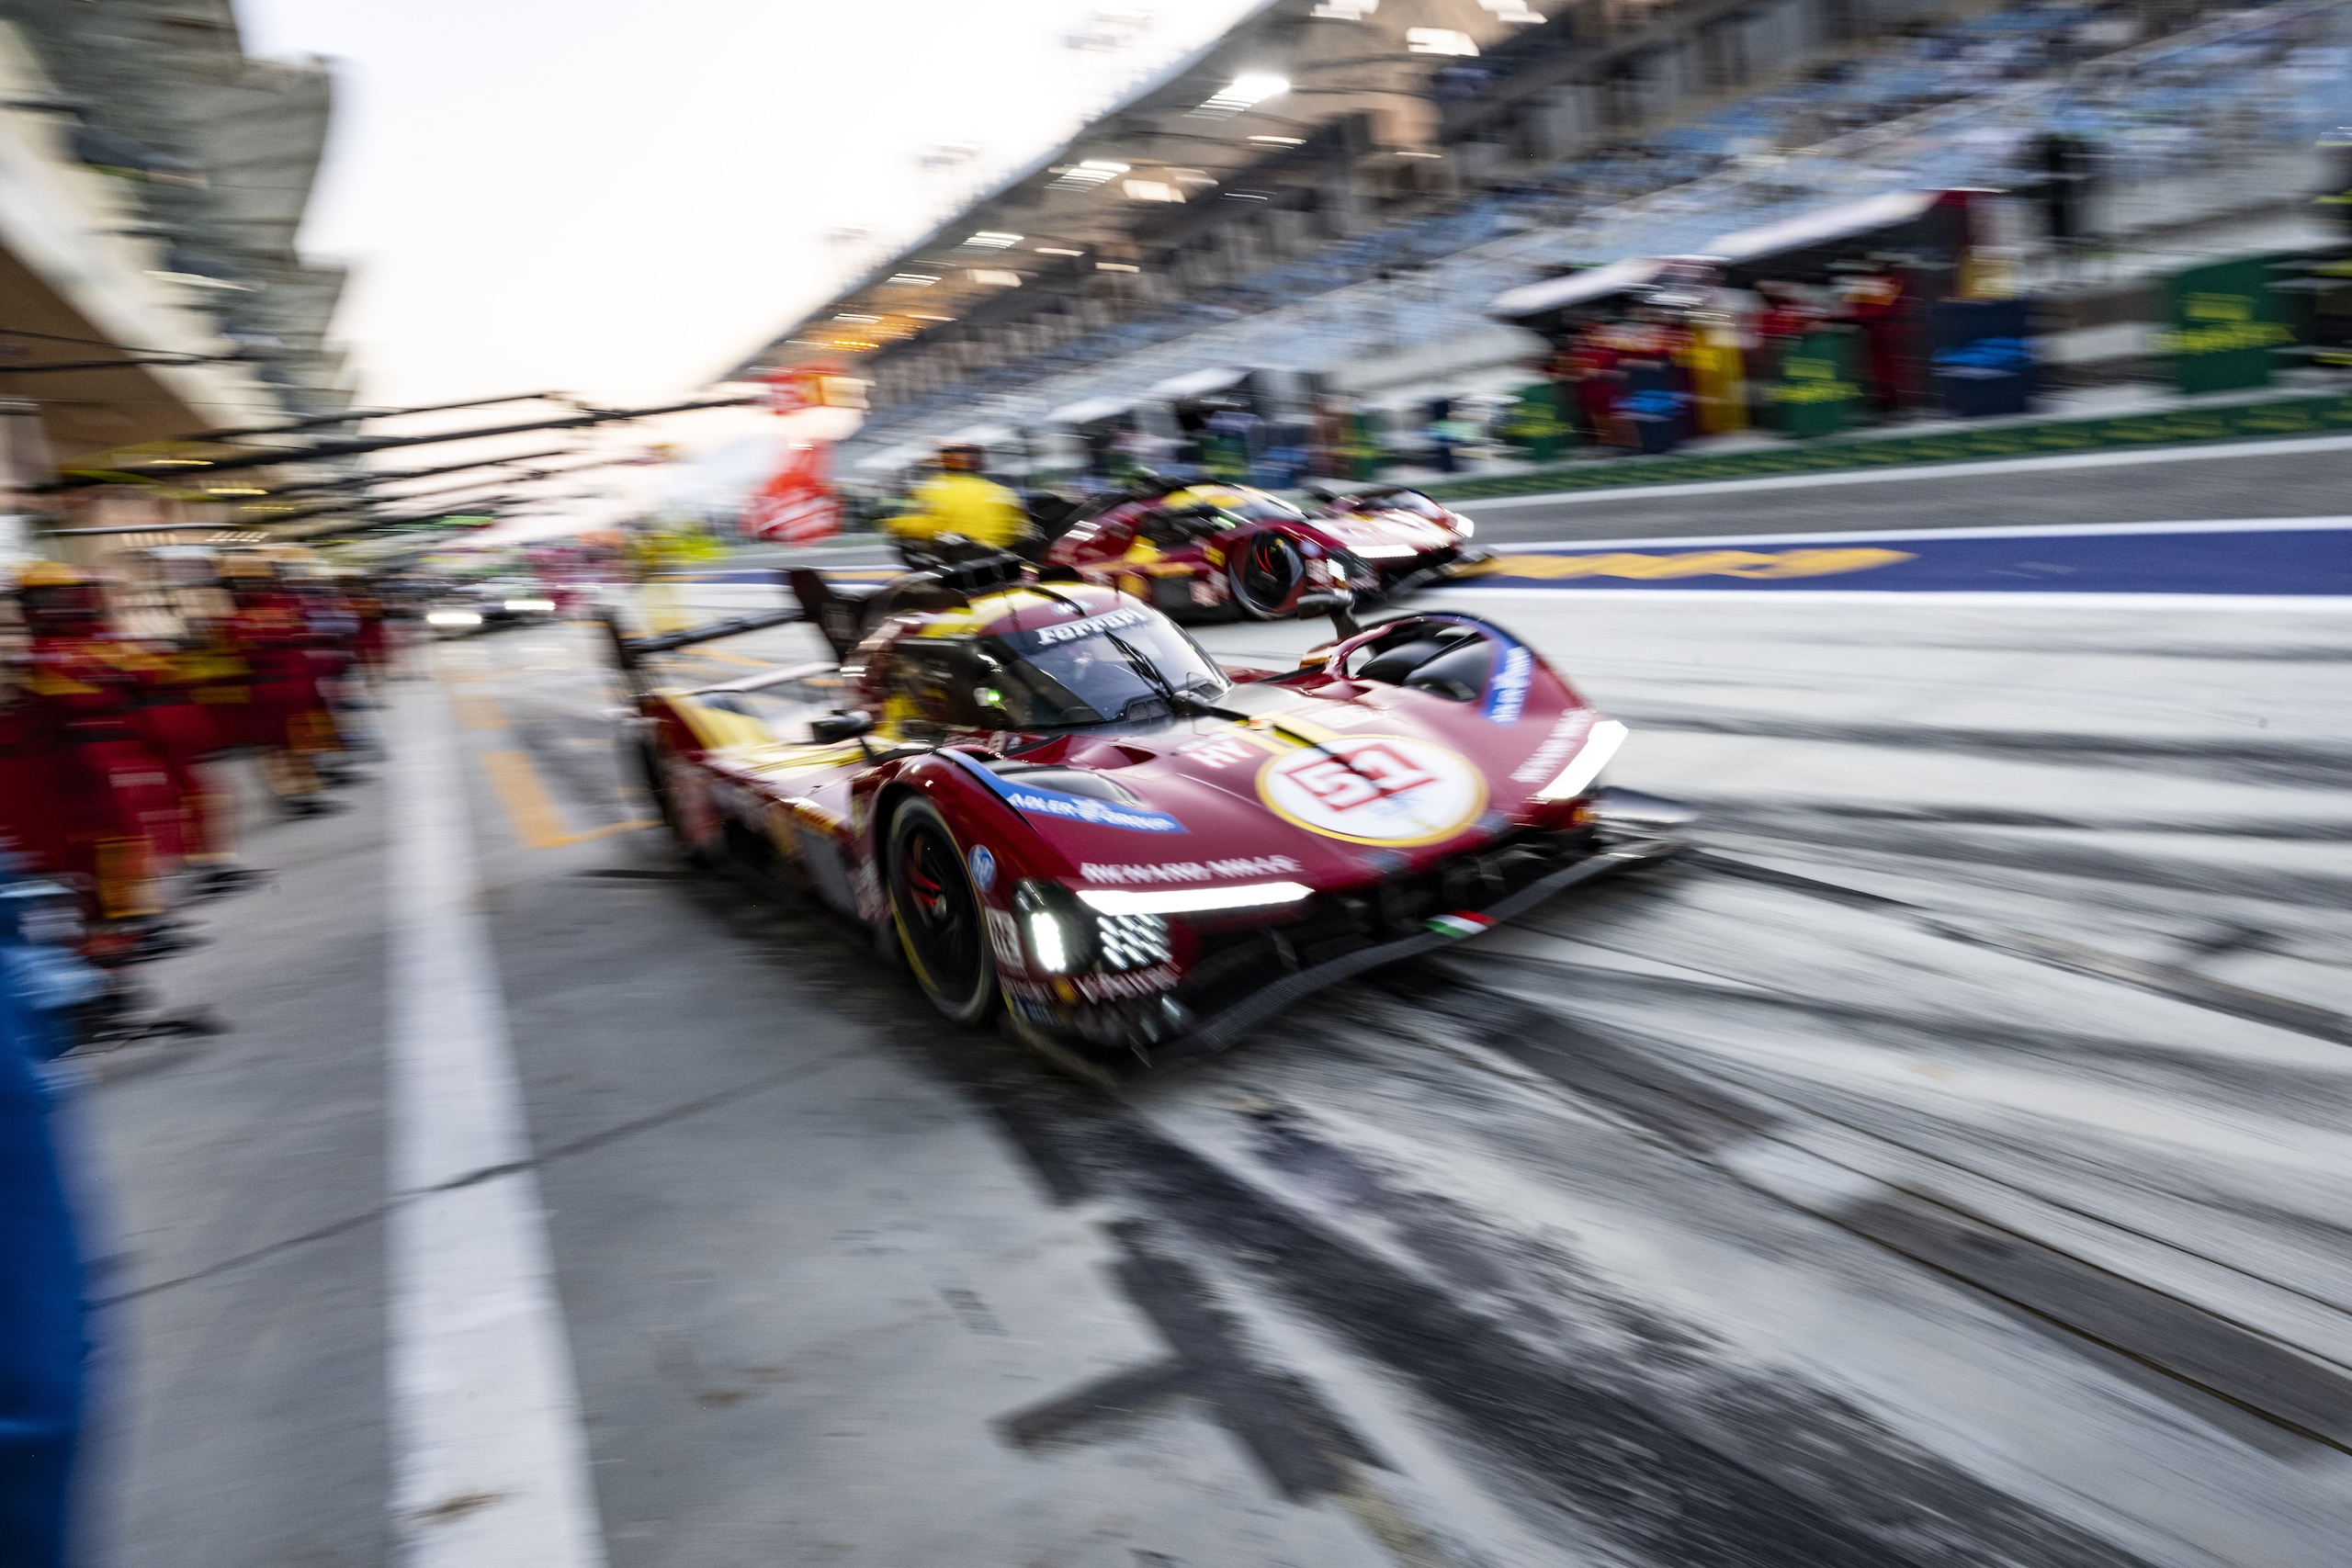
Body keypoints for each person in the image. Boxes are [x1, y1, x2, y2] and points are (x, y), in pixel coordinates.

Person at [882, 445, 1029, 560]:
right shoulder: (1002, 492)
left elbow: (926, 525)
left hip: (957, 560)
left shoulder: (934, 489)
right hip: (1002, 559)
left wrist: (893, 525)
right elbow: (1022, 530)